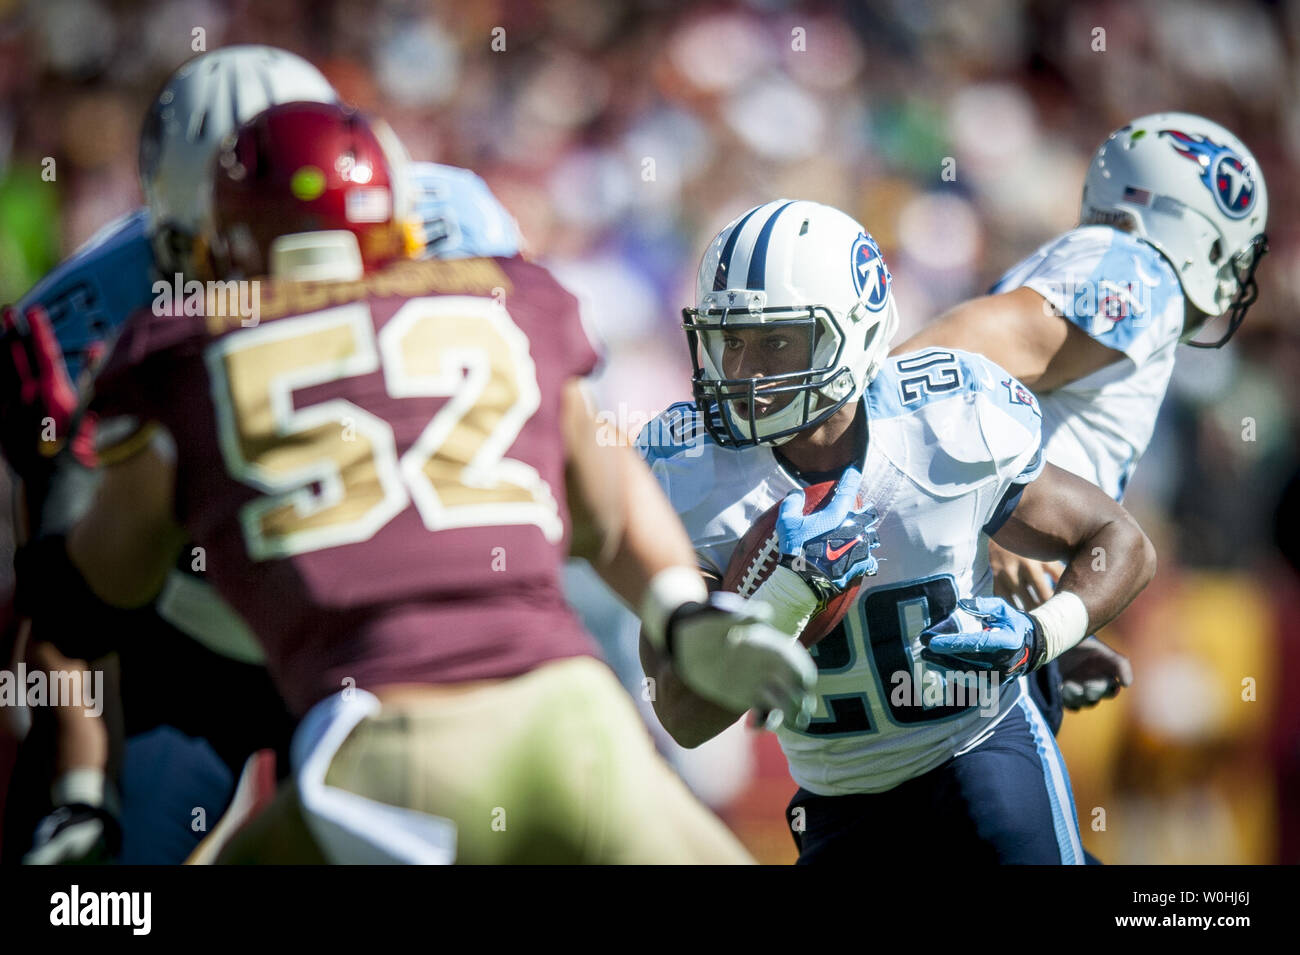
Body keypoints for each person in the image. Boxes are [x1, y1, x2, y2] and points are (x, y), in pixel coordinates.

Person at [13, 101, 818, 864]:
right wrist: (681, 611)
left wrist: (79, 790)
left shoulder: (185, 348)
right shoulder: (511, 300)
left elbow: (93, 594)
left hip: (386, 753)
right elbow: (604, 508)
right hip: (577, 724)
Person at [0, 44, 527, 864]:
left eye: (298, 238)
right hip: (186, 639)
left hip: (375, 636)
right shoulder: (91, 324)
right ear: (177, 240)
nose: (266, 279)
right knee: (99, 888)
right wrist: (80, 787)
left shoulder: (453, 235)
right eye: (232, 244)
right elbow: (73, 597)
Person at [637, 199, 1157, 863]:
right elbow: (683, 716)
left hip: (980, 752)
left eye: (774, 341)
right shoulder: (688, 471)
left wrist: (1043, 635)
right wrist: (787, 596)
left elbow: (1122, 541)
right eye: (730, 340)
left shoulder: (943, 417)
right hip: (837, 795)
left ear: (854, 333)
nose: (743, 373)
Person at [897, 113, 1268, 730]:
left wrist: (1053, 627)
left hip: (948, 636)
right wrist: (987, 510)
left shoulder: (1111, 270)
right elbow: (925, 371)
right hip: (950, 640)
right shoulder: (1138, 271)